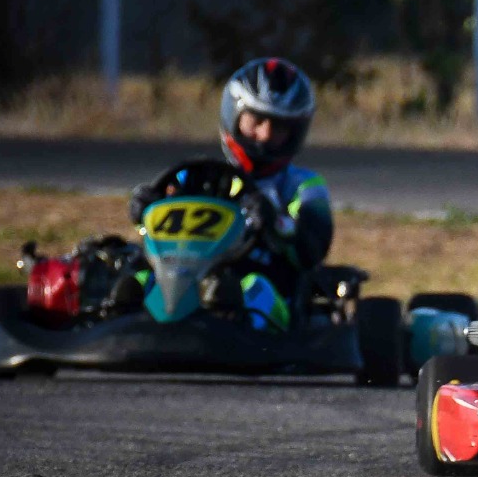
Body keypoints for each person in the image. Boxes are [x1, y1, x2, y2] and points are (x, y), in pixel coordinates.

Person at [129, 58, 332, 331]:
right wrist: (147, 207)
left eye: (279, 128)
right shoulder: (194, 177)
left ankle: (236, 327)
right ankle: (124, 319)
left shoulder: (302, 185)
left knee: (251, 289)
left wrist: (275, 222)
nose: (265, 135)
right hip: (188, 278)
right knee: (138, 279)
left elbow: (312, 250)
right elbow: (165, 233)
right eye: (257, 121)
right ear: (234, 117)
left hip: (266, 287)